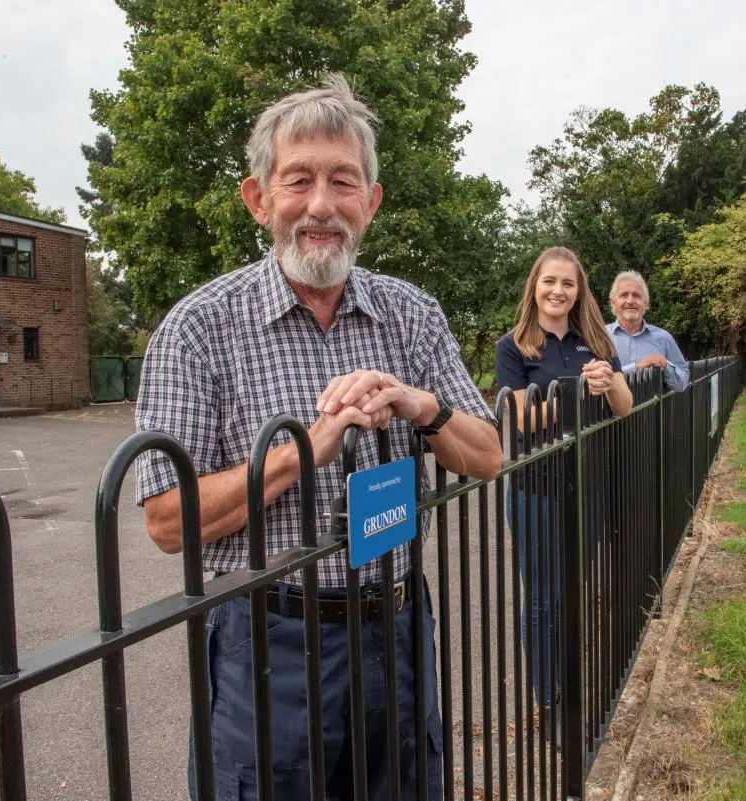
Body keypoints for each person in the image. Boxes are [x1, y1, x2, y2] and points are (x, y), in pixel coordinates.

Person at [134, 74, 503, 801]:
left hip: (395, 629)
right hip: (268, 639)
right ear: (258, 198)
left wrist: (420, 405)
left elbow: (488, 456)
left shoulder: (413, 315)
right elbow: (166, 519)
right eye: (298, 180)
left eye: (344, 181)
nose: (322, 205)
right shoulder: (198, 329)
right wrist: (305, 449)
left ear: (371, 201)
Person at [493, 246, 633, 712]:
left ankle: (568, 674)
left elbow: (625, 406)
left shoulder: (594, 340)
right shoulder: (513, 346)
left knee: (573, 589)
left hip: (589, 485)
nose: (558, 291)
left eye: (568, 284)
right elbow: (519, 420)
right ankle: (548, 697)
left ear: (579, 292)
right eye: (550, 281)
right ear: (535, 285)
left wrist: (609, 382)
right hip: (539, 490)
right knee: (543, 599)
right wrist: (574, 394)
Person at [606, 271, 690, 392]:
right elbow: (587, 381)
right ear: (613, 303)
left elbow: (682, 384)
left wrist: (664, 365)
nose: (630, 301)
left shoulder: (663, 338)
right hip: (610, 411)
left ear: (646, 303)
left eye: (636, 295)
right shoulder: (601, 337)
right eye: (624, 295)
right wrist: (637, 366)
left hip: (653, 410)